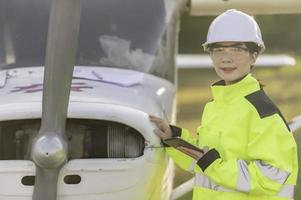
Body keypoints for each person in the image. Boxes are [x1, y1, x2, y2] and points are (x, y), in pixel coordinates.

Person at [149, 9, 298, 200]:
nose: (226, 58)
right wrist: (174, 138)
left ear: (254, 56)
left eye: (236, 49)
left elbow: (272, 176)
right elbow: (203, 161)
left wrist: (212, 164)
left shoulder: (262, 112)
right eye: (218, 50)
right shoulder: (215, 106)